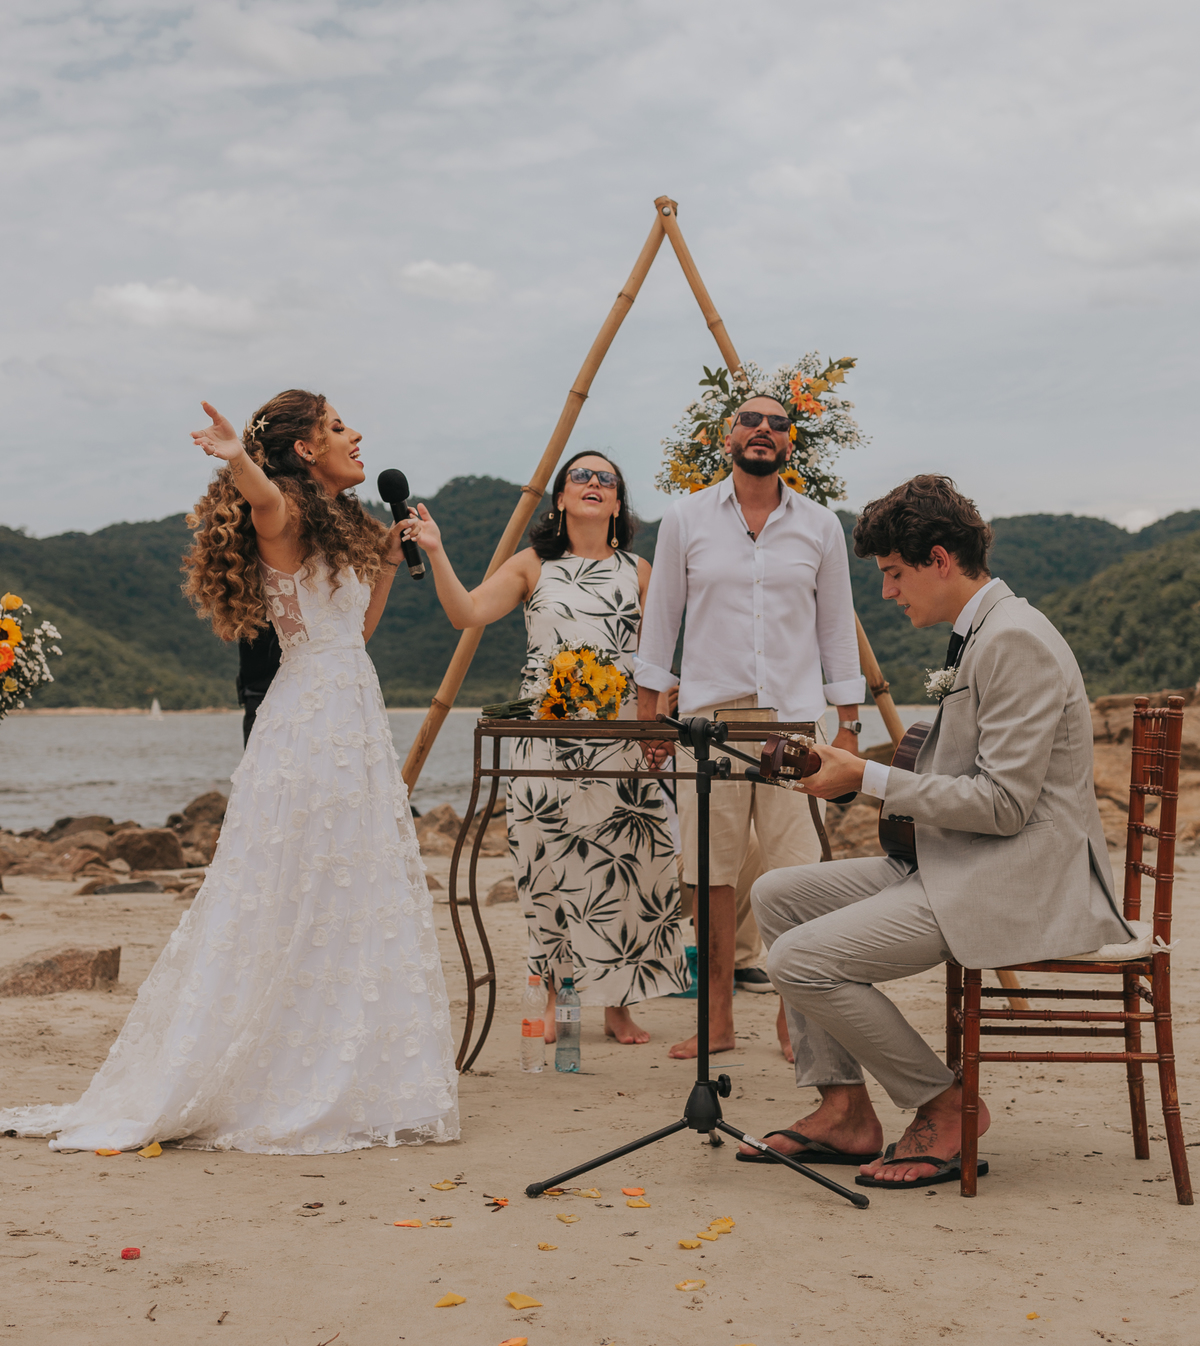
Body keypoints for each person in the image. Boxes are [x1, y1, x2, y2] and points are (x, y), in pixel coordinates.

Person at [1, 391, 458, 1155]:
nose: (357, 435)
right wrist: (239, 457)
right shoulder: (282, 514)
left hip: (357, 714)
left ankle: (345, 1065)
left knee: (353, 884)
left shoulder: (350, 527)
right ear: (306, 449)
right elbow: (268, 501)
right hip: (309, 719)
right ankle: (277, 1075)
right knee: (295, 886)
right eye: (339, 427)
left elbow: (362, 630)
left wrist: (386, 563)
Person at [739, 474, 1132, 1188]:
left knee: (799, 958)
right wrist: (859, 771)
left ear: (940, 560)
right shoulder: (982, 631)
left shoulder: (1016, 640)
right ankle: (846, 1109)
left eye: (893, 573)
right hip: (955, 858)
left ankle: (946, 1105)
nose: (888, 593)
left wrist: (866, 777)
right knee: (777, 895)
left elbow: (1005, 805)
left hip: (1012, 878)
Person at [405, 451, 691, 1045]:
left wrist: (662, 711)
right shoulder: (533, 565)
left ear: (617, 503)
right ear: (560, 498)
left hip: (619, 740)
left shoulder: (640, 570)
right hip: (544, 739)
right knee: (548, 866)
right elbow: (467, 613)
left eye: (605, 479)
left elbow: (661, 657)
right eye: (580, 476)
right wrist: (436, 550)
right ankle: (559, 995)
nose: (592, 483)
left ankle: (618, 1005)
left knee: (634, 867)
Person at [635, 396, 865, 1061]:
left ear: (791, 444)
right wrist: (651, 716)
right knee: (710, 869)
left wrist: (848, 723)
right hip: (709, 720)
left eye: (776, 424)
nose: (763, 430)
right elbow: (663, 619)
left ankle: (796, 1018)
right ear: (727, 437)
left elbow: (835, 629)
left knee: (796, 871)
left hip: (795, 719)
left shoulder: (820, 526)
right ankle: (716, 1020)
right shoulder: (685, 518)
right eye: (749, 421)